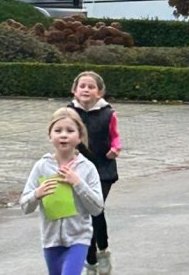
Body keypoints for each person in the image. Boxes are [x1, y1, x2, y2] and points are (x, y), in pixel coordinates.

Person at [20, 108, 104, 275]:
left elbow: (97, 208)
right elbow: (24, 205)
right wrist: (37, 194)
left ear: (79, 137)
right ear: (50, 136)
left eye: (70, 131)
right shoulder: (41, 166)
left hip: (79, 238)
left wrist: (78, 183)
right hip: (51, 240)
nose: (63, 135)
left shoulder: (87, 168)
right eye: (58, 131)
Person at [67, 71, 120, 275]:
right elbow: (59, 132)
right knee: (84, 214)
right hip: (77, 169)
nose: (86, 90)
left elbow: (115, 136)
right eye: (82, 86)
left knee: (95, 209)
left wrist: (115, 149)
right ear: (74, 90)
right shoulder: (68, 112)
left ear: (99, 92)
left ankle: (103, 251)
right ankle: (90, 261)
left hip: (103, 168)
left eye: (91, 87)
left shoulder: (108, 113)